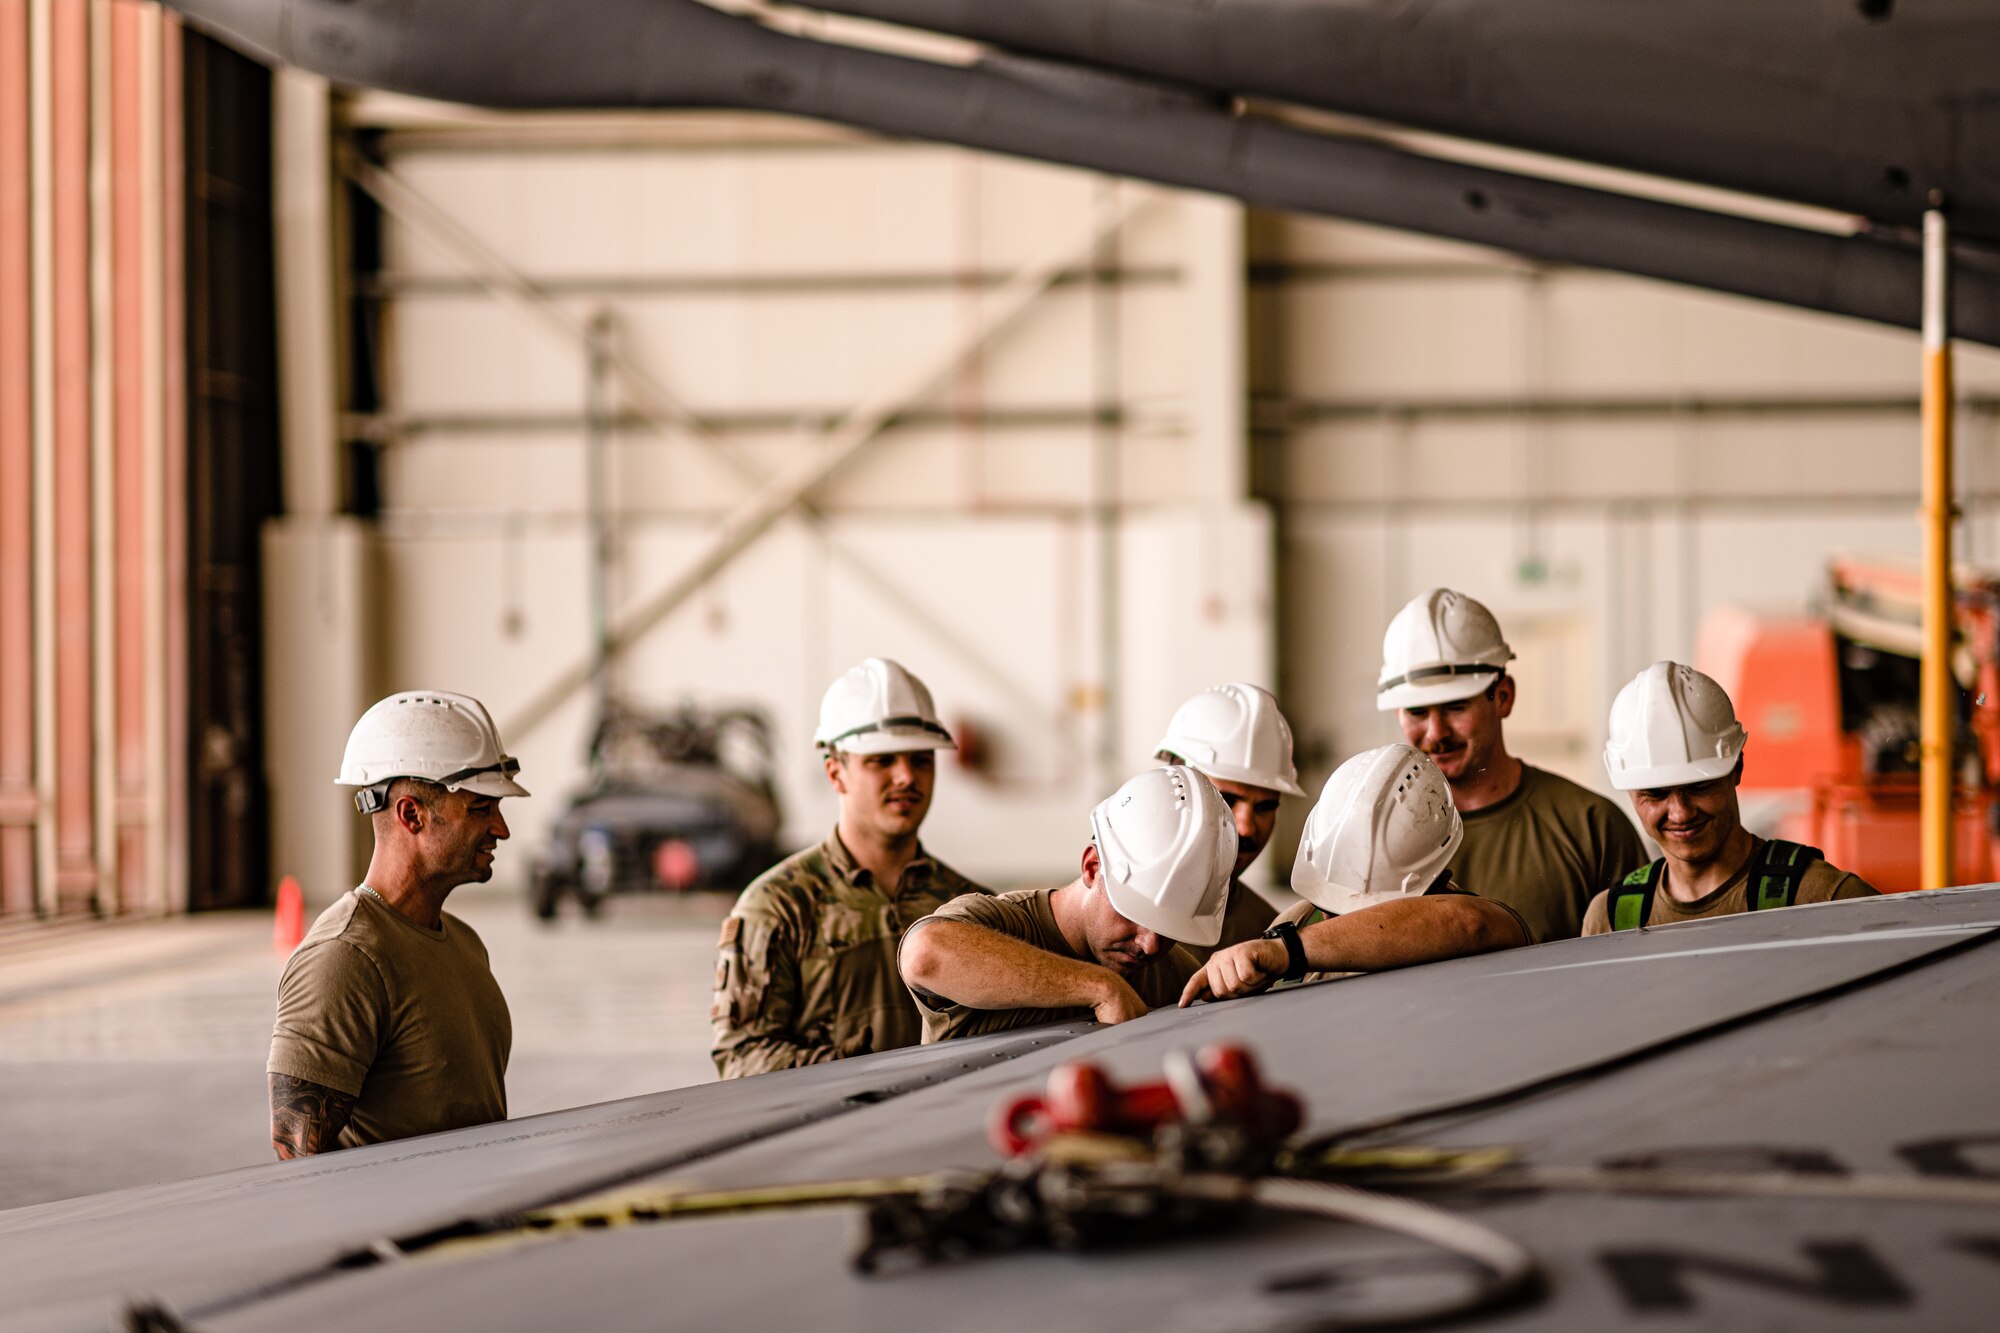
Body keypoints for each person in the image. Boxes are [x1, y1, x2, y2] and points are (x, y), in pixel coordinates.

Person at [266, 690, 527, 1158]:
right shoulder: (344, 958)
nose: (501, 829)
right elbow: (297, 1166)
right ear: (412, 814)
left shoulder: (465, 943)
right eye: (480, 809)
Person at [711, 657, 988, 1078]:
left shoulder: (970, 907)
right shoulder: (778, 907)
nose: (905, 778)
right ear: (836, 773)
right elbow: (740, 1058)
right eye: (882, 760)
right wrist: (847, 1070)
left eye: (921, 760)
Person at [1379, 588, 1645, 941]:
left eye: (1456, 707)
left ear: (1503, 697)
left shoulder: (1591, 827)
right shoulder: (1377, 839)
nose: (1436, 732)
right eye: (1417, 711)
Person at [899, 765, 1234, 1041]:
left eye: (1169, 926)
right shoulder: (1000, 923)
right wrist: (1100, 987)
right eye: (1137, 910)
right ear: (1091, 867)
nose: (1149, 944)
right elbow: (924, 954)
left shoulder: (1174, 973)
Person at [1181, 744, 1531, 1004]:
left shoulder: (1484, 927)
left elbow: (1468, 923)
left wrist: (1288, 951)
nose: (1333, 918)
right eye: (1330, 901)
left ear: (1438, 880)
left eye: (1360, 907)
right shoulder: (1298, 923)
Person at [1584, 661, 1878, 933]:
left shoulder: (1821, 897)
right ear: (1631, 792)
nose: (1680, 813)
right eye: (1655, 794)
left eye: (1699, 787)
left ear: (1737, 767)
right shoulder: (1609, 920)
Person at [1152, 682, 1308, 962]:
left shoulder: (1264, 934)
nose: (1246, 828)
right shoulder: (1110, 904)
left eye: (1264, 807)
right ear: (1174, 785)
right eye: (1227, 800)